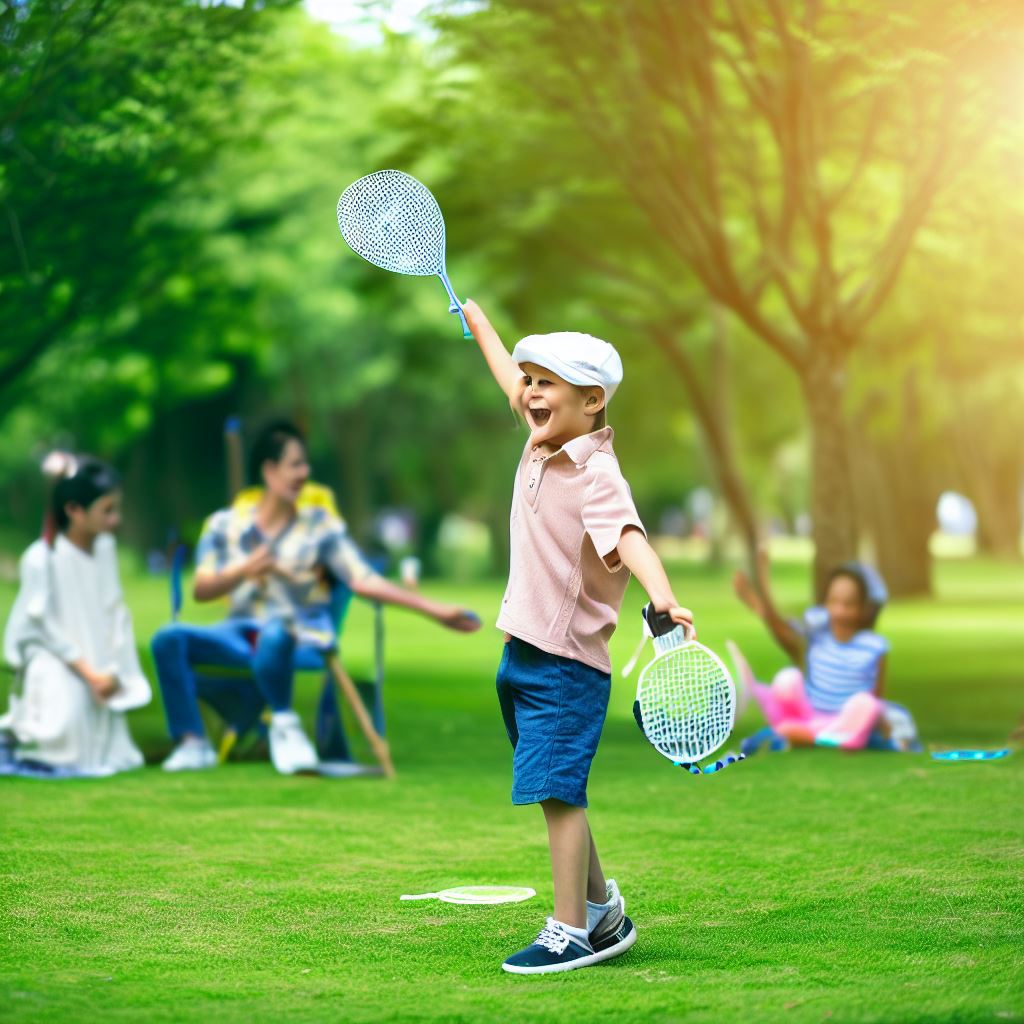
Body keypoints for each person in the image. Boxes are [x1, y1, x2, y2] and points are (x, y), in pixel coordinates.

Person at [463, 299, 696, 975]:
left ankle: (569, 930)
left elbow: (627, 536)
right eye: (528, 380)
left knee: (560, 794)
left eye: (546, 382)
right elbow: (506, 375)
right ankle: (605, 913)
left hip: (566, 663)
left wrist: (664, 595)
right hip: (524, 654)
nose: (528, 391)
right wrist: (479, 322)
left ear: (592, 401)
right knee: (554, 785)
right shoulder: (541, 442)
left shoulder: (595, 472)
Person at [152, 419, 481, 776]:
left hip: (300, 636)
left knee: (277, 631)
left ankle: (283, 723)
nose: (304, 473)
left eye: (305, 464)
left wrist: (434, 610)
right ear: (269, 470)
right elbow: (202, 590)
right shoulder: (223, 524)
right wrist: (245, 569)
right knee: (169, 639)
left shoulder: (320, 526)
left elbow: (363, 579)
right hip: (239, 635)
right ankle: (191, 743)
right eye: (295, 464)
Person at [1, 453, 151, 775]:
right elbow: (41, 628)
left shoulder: (105, 550)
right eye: (107, 510)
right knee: (67, 715)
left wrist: (111, 671)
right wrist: (88, 673)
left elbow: (115, 614)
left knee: (103, 728)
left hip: (99, 666)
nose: (115, 520)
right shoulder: (41, 559)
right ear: (74, 511)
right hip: (59, 662)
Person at [733, 551, 888, 749]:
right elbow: (780, 627)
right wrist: (759, 588)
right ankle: (817, 734)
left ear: (864, 608)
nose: (839, 611)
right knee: (787, 679)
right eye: (833, 602)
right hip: (811, 716)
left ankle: (809, 734)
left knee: (866, 704)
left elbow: (875, 698)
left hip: (846, 721)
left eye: (848, 604)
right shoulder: (817, 635)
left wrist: (879, 721)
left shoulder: (874, 646)